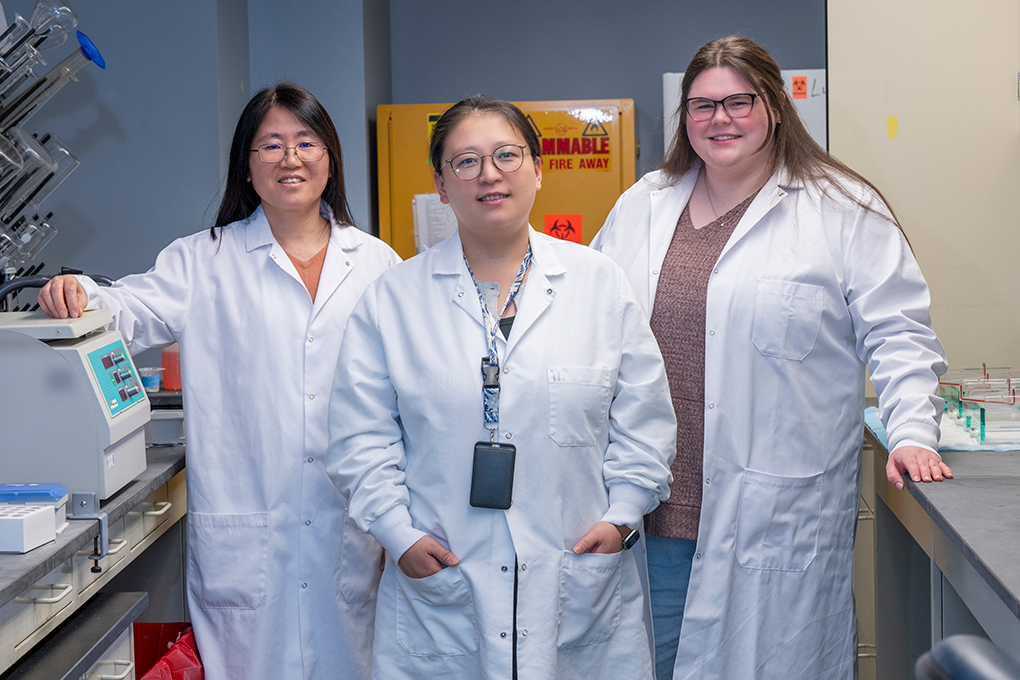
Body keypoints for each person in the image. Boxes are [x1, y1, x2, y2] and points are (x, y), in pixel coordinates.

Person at [591, 36, 951, 680]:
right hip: (651, 514)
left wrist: (912, 432)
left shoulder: (841, 207)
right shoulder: (643, 204)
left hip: (774, 512)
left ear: (776, 107)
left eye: (738, 101)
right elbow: (590, 330)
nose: (719, 118)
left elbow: (898, 334)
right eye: (701, 105)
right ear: (684, 117)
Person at [37, 83, 400, 680]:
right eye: (271, 145)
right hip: (245, 530)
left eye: (306, 142)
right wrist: (77, 291)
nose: (291, 158)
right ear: (247, 166)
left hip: (350, 529)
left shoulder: (378, 263)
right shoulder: (202, 259)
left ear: (329, 158)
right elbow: (126, 310)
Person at [325, 94, 676, 680]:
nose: (489, 174)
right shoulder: (394, 300)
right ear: (441, 184)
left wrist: (622, 518)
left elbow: (644, 421)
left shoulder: (598, 284)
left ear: (538, 169)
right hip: (443, 573)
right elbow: (359, 436)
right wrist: (396, 532)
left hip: (575, 570)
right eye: (465, 161)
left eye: (507, 155)